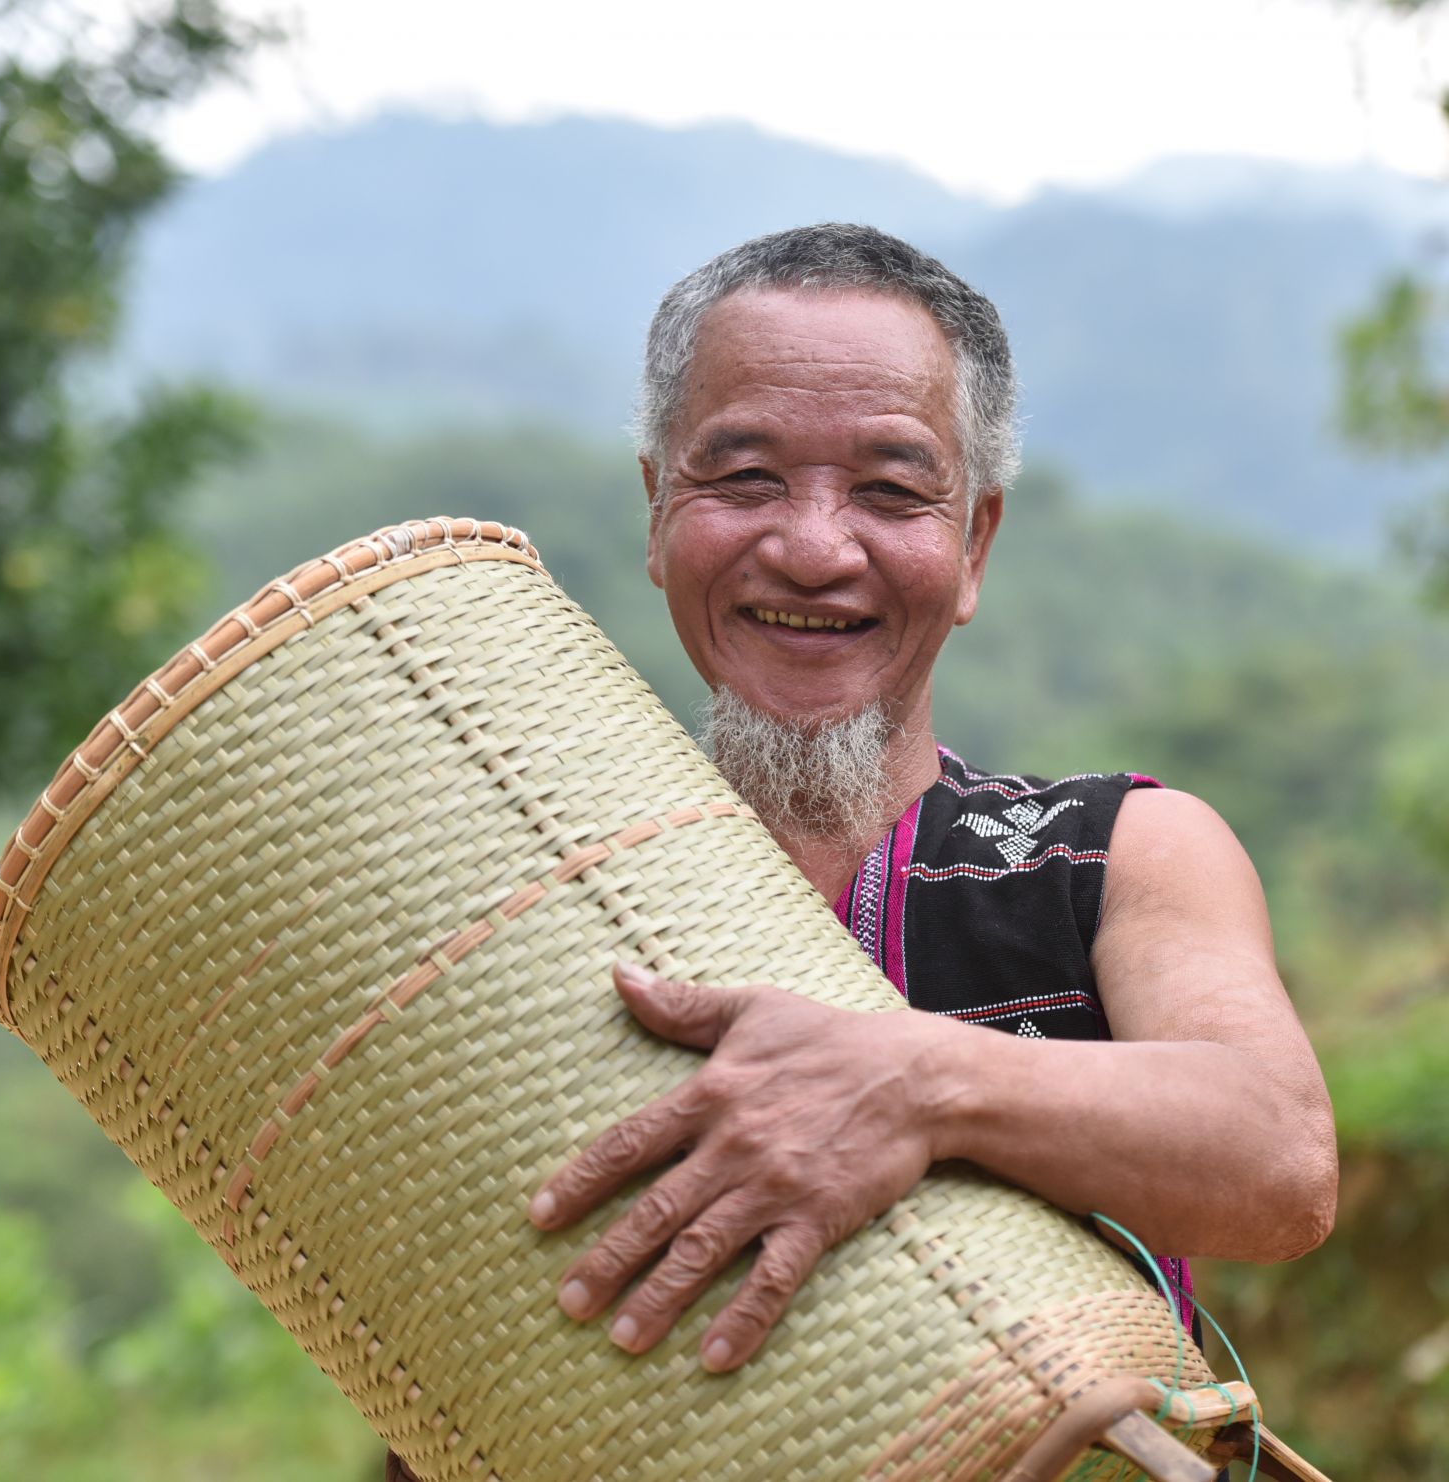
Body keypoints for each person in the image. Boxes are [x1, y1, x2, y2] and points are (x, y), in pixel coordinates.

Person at [385, 223, 1337, 1479]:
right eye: (744, 479)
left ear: (975, 545)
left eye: (891, 491)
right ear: (657, 513)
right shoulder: (515, 898)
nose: (816, 548)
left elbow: (1277, 1158)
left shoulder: (1110, 855)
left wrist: (917, 1085)